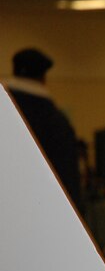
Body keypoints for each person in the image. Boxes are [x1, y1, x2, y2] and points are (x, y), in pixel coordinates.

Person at [3, 48, 81, 210]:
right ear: (43, 77)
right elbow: (68, 178)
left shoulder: (6, 111)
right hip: (41, 207)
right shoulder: (54, 120)